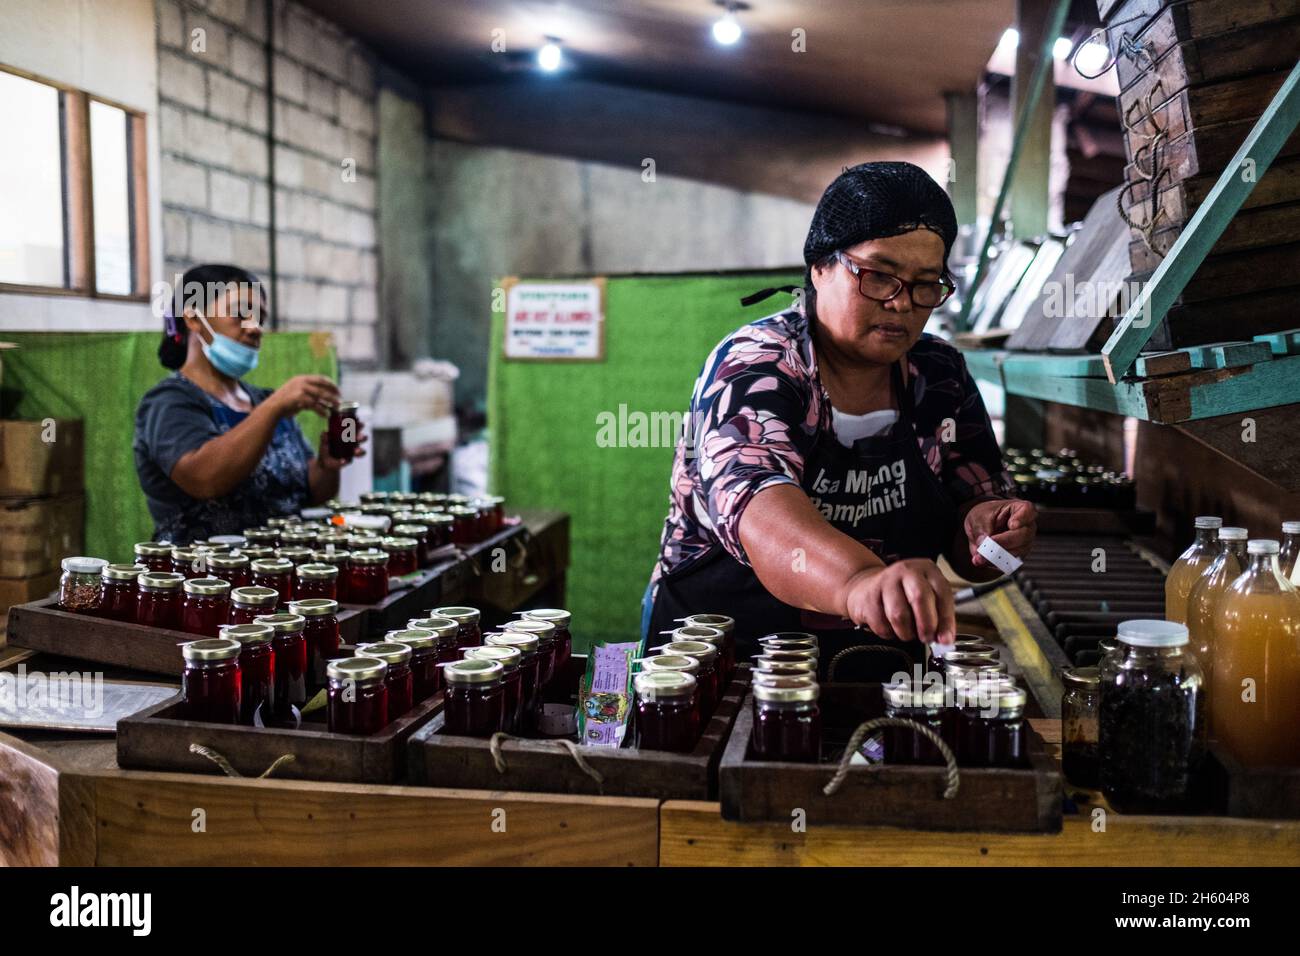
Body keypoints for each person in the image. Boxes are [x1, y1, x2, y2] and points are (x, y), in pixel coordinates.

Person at [644, 162, 1037, 676]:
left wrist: (991, 536)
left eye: (925, 285)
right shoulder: (758, 365)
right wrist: (857, 584)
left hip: (875, 667)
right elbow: (761, 513)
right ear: (820, 266)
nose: (901, 304)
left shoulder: (938, 376)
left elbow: (972, 544)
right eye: (878, 276)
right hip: (718, 664)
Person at [134, 263, 364, 542]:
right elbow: (205, 478)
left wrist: (327, 465)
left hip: (278, 570)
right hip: (205, 576)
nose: (255, 329)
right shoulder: (170, 402)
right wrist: (274, 408)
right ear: (194, 319)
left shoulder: (264, 401)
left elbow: (310, 491)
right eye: (240, 314)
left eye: (260, 318)